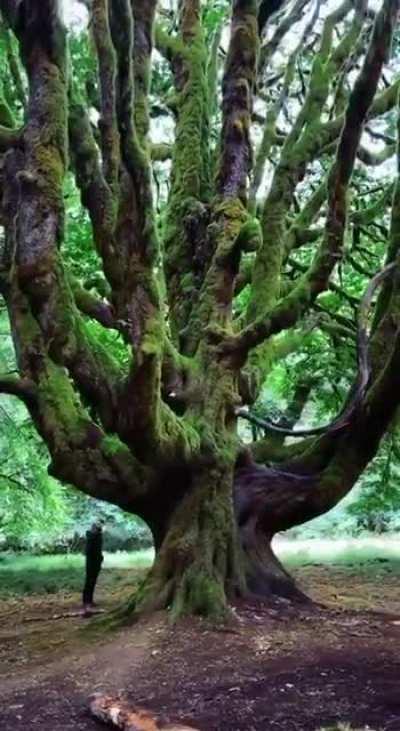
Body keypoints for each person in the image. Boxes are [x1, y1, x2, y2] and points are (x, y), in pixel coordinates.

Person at [82, 520, 104, 616]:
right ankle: (87, 601)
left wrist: (100, 558)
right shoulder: (92, 537)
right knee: (89, 581)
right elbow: (89, 551)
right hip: (91, 562)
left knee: (92, 581)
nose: (100, 529)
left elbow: (98, 550)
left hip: (96, 562)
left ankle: (90, 600)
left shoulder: (97, 536)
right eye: (98, 527)